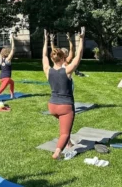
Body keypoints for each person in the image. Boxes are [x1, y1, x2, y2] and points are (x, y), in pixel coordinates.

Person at [42, 27, 85, 160]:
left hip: (52, 106)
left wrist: (46, 39)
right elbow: (78, 56)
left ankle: (69, 143)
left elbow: (43, 56)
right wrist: (82, 38)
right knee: (64, 133)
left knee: (63, 124)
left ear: (53, 58)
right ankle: (57, 153)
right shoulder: (66, 70)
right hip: (65, 106)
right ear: (63, 57)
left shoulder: (47, 70)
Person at [0, 34, 15, 101]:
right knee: (2, 88)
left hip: (1, 77)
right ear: (8, 53)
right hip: (6, 78)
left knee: (12, 82)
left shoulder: (1, 59)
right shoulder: (8, 60)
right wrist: (12, 38)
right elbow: (13, 49)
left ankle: (12, 95)